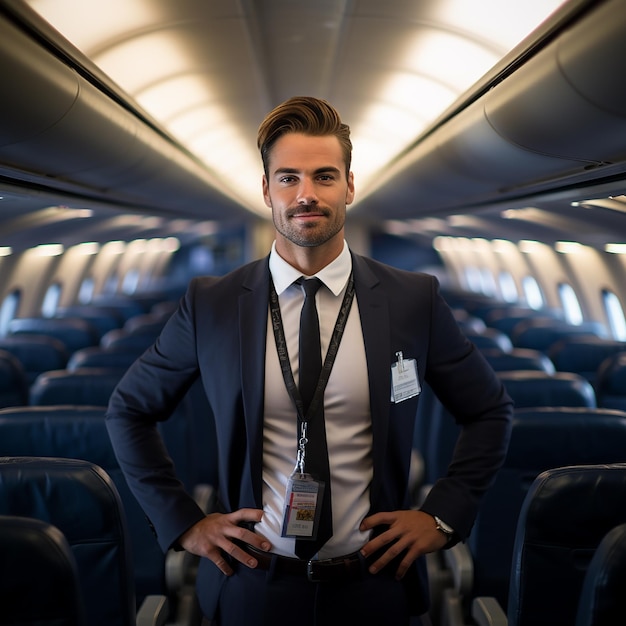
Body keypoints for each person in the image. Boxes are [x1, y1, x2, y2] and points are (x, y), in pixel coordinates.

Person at [105, 96, 513, 626]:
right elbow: (129, 410)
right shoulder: (213, 304)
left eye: (323, 177)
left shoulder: (413, 299)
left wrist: (442, 515)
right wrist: (183, 521)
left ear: (348, 185)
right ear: (266, 189)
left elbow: (490, 412)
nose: (306, 195)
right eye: (288, 178)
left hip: (374, 580)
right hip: (252, 581)